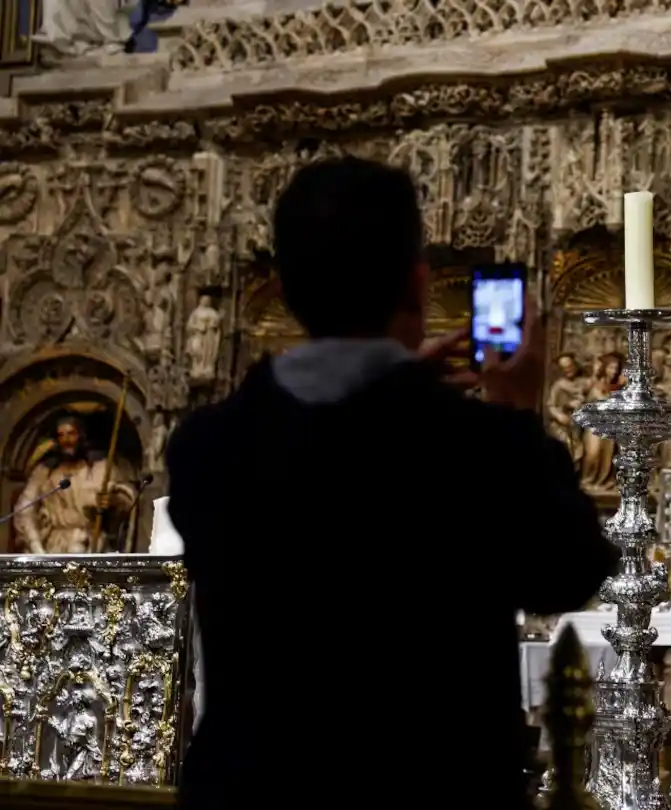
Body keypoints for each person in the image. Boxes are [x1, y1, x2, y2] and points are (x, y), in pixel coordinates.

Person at [164, 157, 618, 809]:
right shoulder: (472, 445)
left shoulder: (208, 446)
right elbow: (568, 570)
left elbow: (326, 449)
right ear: (416, 284)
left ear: (285, 288)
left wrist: (397, 386)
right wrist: (517, 406)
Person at [15, 414, 135, 554]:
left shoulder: (100, 468)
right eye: (61, 435)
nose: (66, 440)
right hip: (53, 546)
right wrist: (36, 545)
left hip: (91, 544)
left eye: (71, 434)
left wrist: (113, 501)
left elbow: (128, 500)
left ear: (82, 437)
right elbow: (25, 509)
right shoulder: (44, 472)